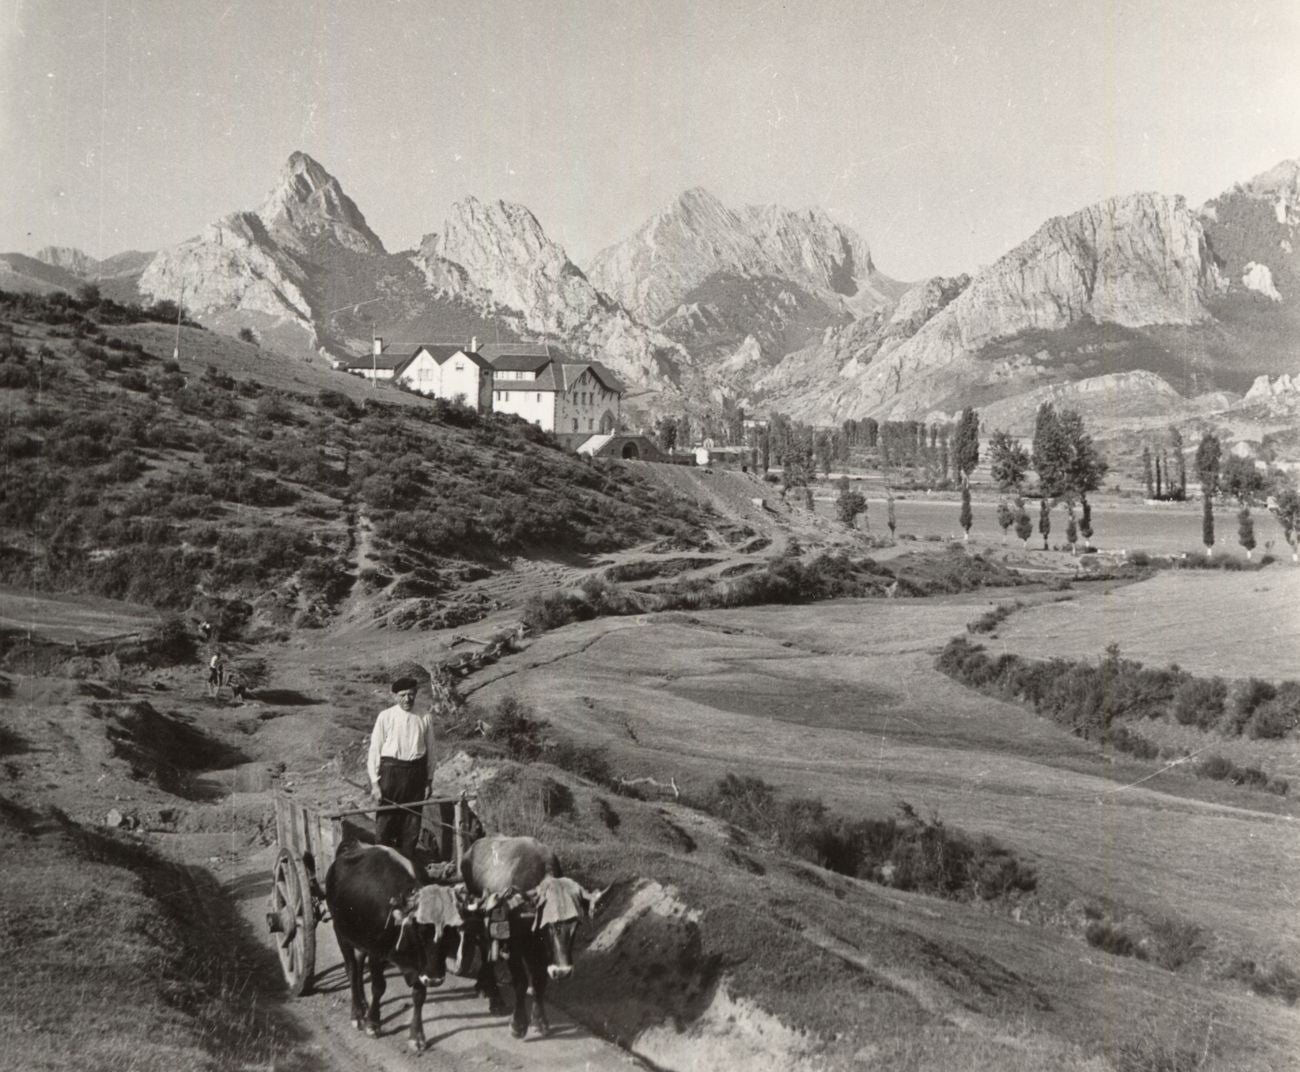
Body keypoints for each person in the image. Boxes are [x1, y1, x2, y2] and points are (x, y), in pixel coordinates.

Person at [367, 676, 436, 859]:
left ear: (416, 695)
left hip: (416, 775)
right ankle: (382, 863)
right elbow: (375, 750)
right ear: (395, 696)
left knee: (412, 822)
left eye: (411, 695)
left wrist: (429, 780)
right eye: (403, 695)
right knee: (386, 821)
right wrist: (375, 784)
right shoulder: (386, 716)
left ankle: (407, 865)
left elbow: (431, 751)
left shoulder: (424, 716)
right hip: (391, 774)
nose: (407, 699)